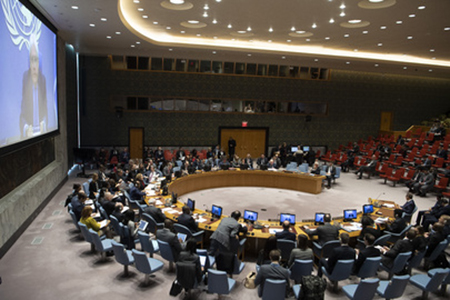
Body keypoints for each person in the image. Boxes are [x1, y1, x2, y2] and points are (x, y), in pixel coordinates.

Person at [20, 34, 48, 139]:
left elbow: (46, 111)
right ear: (29, 62)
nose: (34, 66)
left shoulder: (43, 80)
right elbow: (21, 115)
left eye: (36, 59)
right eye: (32, 60)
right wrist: (26, 128)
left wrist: (44, 124)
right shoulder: (25, 79)